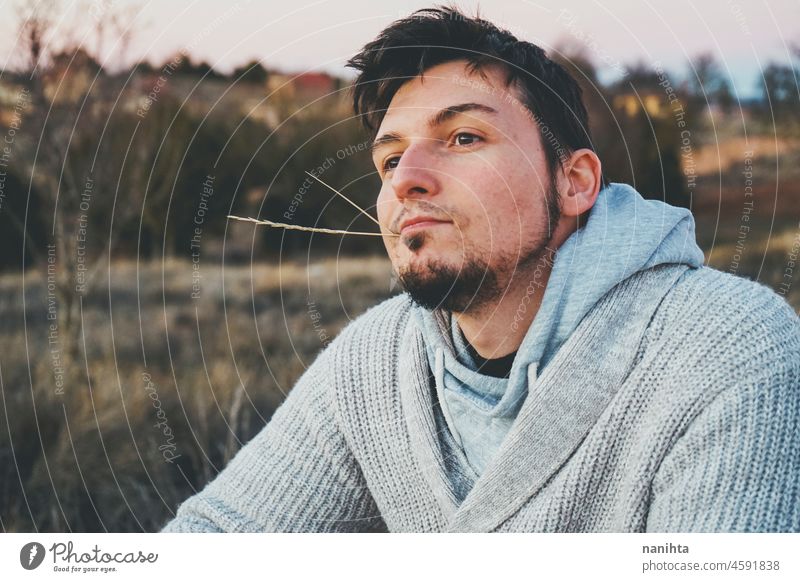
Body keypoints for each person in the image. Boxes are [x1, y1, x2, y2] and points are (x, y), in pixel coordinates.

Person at [162, 7, 800, 533]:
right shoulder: (376, 365)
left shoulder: (726, 346)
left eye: (464, 137)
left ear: (574, 182)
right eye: (389, 160)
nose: (407, 178)